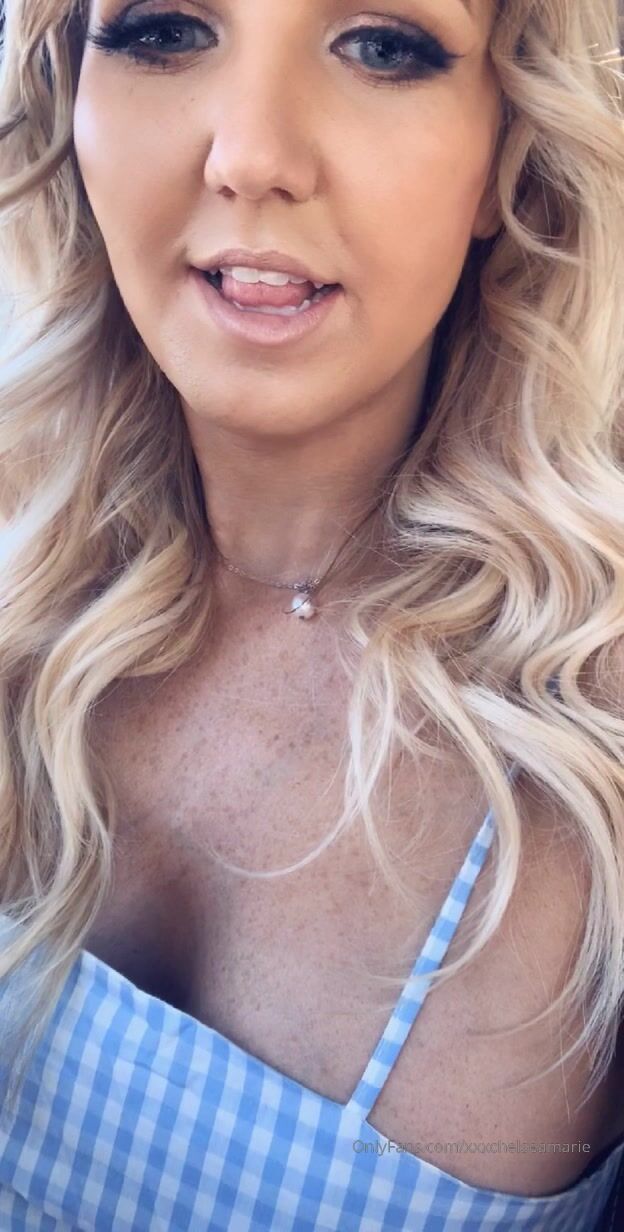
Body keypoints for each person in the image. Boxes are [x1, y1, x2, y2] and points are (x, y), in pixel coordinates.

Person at [0, 1, 623, 1228]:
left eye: (383, 44)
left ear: (509, 146)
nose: (252, 156)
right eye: (165, 28)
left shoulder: (595, 735)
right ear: (70, 91)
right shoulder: (14, 569)